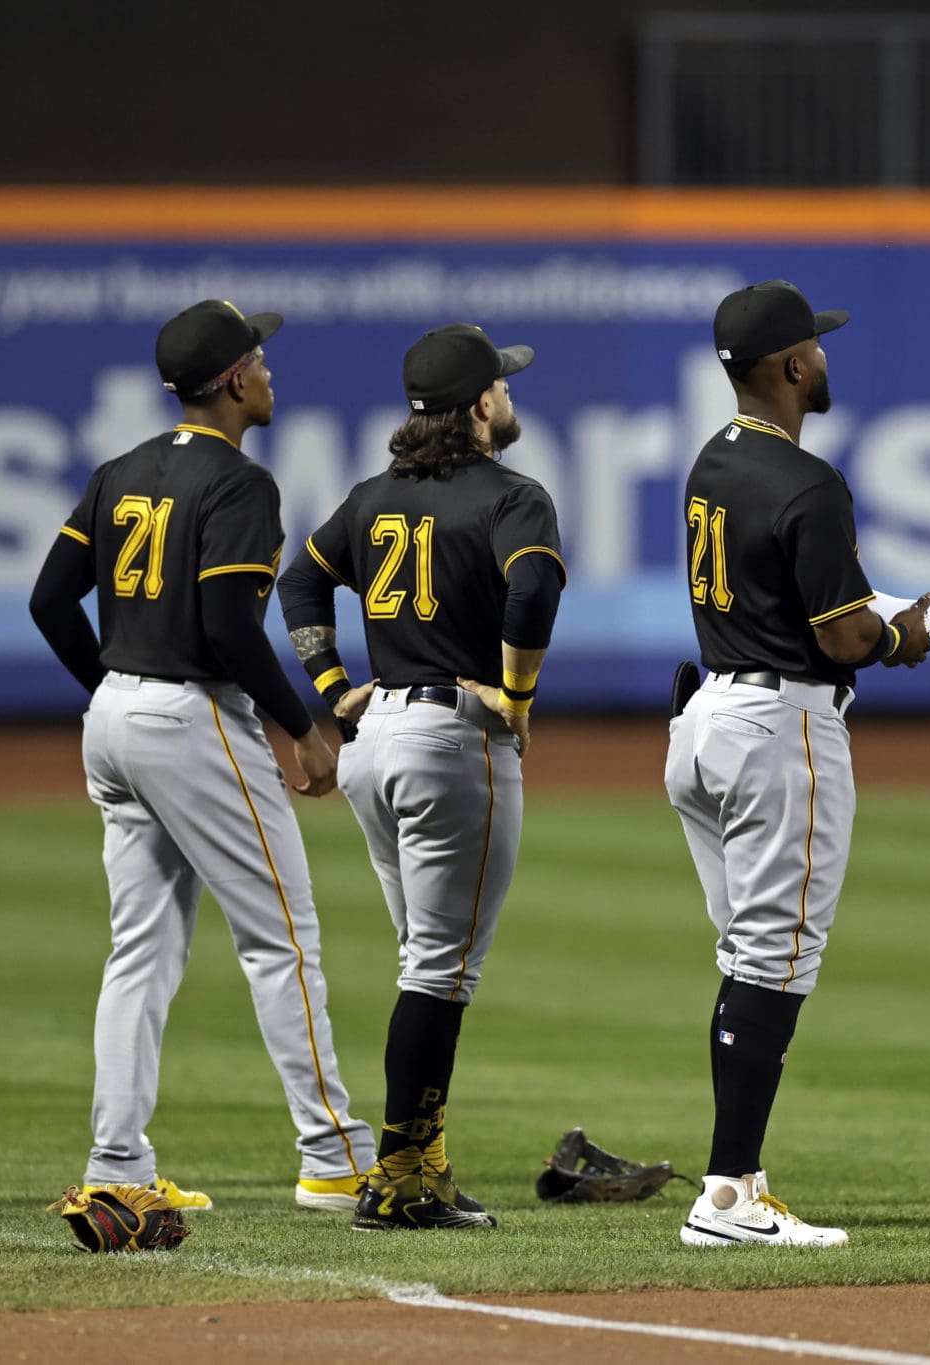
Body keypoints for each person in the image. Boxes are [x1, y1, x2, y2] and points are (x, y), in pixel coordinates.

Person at [667, 281, 930, 1248]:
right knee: (773, 962)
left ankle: (732, 1186)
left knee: (750, 959)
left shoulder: (718, 459)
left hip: (706, 722)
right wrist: (909, 640)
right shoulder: (807, 480)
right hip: (779, 730)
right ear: (790, 366)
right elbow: (841, 636)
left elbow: (814, 598)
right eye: (815, 348)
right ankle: (731, 1196)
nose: (826, 358)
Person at [29, 300, 375, 1214]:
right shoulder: (240, 484)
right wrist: (301, 726)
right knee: (283, 940)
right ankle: (336, 1155)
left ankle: (116, 1162)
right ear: (230, 382)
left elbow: (48, 601)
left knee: (138, 949)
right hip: (192, 718)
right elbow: (228, 625)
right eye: (258, 359)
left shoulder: (119, 471)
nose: (269, 371)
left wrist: (107, 685)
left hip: (114, 716)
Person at [277, 323, 563, 1231]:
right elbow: (533, 590)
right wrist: (517, 693)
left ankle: (424, 1164)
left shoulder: (370, 496)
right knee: (441, 971)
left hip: (374, 746)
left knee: (424, 963)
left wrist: (332, 691)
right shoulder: (515, 496)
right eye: (502, 388)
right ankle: (398, 1178)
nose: (511, 399)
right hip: (454, 740)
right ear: (479, 404)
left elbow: (300, 582)